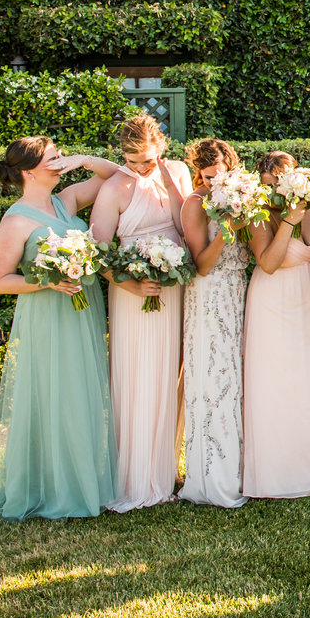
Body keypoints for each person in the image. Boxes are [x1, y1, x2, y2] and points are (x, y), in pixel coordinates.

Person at [0, 138, 124, 521]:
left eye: (61, 157)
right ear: (29, 172)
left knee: (81, 392)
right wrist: (46, 282)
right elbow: (1, 281)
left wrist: (83, 160)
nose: (61, 163)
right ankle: (54, 487)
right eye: (54, 159)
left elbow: (116, 176)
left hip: (82, 310)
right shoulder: (15, 221)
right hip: (48, 315)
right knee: (56, 393)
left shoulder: (66, 201)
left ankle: (83, 480)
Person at [89, 114, 190, 512]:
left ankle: (166, 468)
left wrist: (166, 182)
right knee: (137, 373)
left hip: (172, 287)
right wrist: (131, 284)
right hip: (131, 293)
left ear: (161, 148)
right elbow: (98, 251)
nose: (140, 167)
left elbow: (187, 228)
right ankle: (133, 475)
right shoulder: (114, 187)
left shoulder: (177, 173)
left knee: (170, 374)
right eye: (132, 160)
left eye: (147, 159)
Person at [241, 151, 310, 499]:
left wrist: (302, 209)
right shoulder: (258, 213)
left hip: (306, 296)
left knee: (307, 379)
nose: (274, 192)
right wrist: (287, 221)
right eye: (268, 185)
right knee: (275, 383)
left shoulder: (308, 207)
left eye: (279, 184)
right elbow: (268, 263)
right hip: (272, 300)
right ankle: (274, 474)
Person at [177, 137, 249, 509]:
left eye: (220, 176)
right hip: (209, 296)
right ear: (198, 174)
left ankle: (243, 469)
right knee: (214, 379)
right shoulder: (194, 204)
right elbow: (201, 265)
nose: (214, 183)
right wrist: (227, 230)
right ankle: (213, 476)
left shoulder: (242, 196)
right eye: (207, 177)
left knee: (237, 380)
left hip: (238, 291)